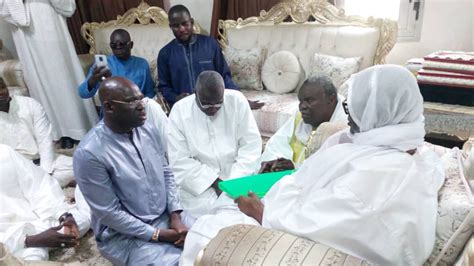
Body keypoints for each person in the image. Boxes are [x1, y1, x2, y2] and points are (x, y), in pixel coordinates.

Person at [181, 65, 445, 265]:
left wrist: (261, 211)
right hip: (289, 202)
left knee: (206, 232)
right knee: (216, 212)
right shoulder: (388, 144)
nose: (349, 112)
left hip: (290, 227)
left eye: (355, 105)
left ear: (379, 111)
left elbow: (335, 221)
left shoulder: (385, 173)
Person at [73, 77, 192, 265]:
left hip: (165, 217)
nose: (141, 106)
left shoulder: (148, 130)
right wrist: (157, 235)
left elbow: (166, 173)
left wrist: (175, 216)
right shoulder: (89, 153)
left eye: (141, 99)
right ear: (109, 107)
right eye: (131, 101)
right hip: (123, 235)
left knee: (207, 240)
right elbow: (109, 213)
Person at [0, 0, 98, 145]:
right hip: (24, 34)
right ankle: (56, 132)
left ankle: (78, 128)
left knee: (62, 77)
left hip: (49, 22)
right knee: (39, 81)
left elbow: (68, 6)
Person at [167, 71, 262, 219]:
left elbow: (250, 146)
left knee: (252, 215)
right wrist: (215, 182)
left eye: (218, 103)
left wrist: (233, 183)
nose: (213, 108)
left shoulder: (237, 101)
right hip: (200, 187)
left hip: (239, 178)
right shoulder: (179, 111)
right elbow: (179, 161)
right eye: (206, 103)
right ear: (195, 93)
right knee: (207, 222)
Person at [157, 4, 264, 109]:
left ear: (192, 22)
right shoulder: (164, 54)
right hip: (184, 107)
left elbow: (224, 76)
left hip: (212, 104)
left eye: (185, 24)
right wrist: (175, 98)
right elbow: (164, 87)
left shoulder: (210, 45)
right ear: (171, 27)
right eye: (176, 26)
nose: (181, 29)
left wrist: (242, 100)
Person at [0, 144, 90, 261]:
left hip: (39, 220)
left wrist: (63, 215)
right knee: (34, 255)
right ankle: (42, 246)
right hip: (8, 238)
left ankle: (49, 242)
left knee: (82, 221)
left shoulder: (4, 152)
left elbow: (39, 185)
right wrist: (30, 240)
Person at [259, 75, 347, 172]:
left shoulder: (345, 128)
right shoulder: (301, 116)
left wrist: (295, 169)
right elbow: (277, 144)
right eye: (301, 101)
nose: (302, 107)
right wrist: (274, 162)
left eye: (310, 100)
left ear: (331, 100)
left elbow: (332, 170)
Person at [0, 78, 74, 187]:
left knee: (81, 166)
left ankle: (40, 186)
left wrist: (45, 173)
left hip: (44, 161)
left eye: (2, 87)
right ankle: (48, 186)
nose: (1, 92)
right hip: (17, 168)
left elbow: (45, 141)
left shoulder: (30, 104)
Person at [78, 29, 155, 99]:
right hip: (112, 110)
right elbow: (82, 94)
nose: (118, 48)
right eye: (113, 45)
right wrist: (93, 80)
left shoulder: (142, 64)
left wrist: (142, 104)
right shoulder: (104, 64)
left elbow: (150, 92)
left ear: (131, 45)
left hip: (137, 109)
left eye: (122, 44)